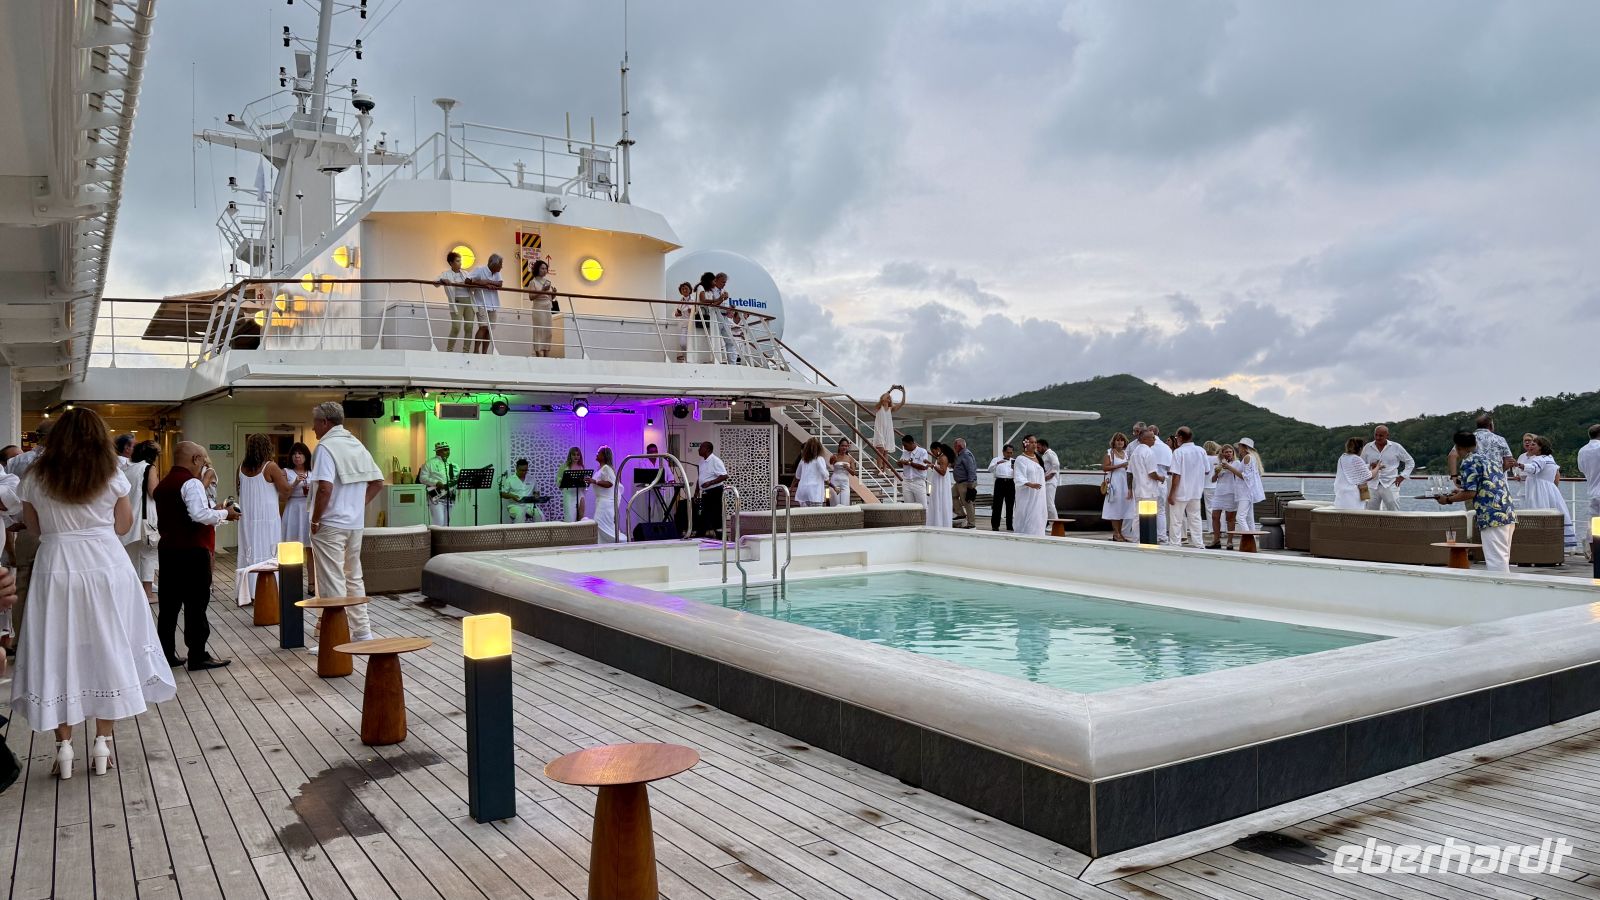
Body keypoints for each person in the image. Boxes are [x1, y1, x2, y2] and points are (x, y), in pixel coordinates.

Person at [10, 408, 176, 779]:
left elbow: (34, 528)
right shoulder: (110, 474)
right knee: (108, 646)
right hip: (105, 565)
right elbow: (123, 524)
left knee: (58, 651)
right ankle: (103, 743)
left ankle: (64, 747)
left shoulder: (36, 477)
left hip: (56, 566)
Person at [154, 440, 240, 669]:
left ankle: (166, 654)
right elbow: (199, 515)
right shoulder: (191, 483)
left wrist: (215, 512)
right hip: (192, 551)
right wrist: (226, 513)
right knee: (196, 605)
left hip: (168, 551)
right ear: (195, 459)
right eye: (203, 459)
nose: (204, 464)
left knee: (169, 607)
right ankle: (197, 655)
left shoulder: (163, 484)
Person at [308, 401, 385, 641]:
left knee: (331, 581)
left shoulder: (325, 447)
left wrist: (315, 519)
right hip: (354, 524)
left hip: (330, 523)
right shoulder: (357, 444)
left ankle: (335, 639)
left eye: (315, 423)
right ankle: (362, 632)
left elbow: (325, 488)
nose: (313, 428)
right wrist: (357, 505)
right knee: (354, 577)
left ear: (324, 422)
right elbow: (378, 483)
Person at [1437, 431, 1517, 572]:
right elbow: (1481, 486)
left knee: (1496, 560)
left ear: (1458, 447)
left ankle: (1499, 585)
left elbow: (1470, 493)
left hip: (1491, 515)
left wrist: (1448, 499)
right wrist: (1460, 492)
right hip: (1507, 511)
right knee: (1503, 557)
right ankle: (1504, 584)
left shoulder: (1468, 462)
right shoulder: (1487, 459)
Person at [237, 433, 291, 603]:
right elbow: (286, 491)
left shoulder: (241, 467)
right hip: (267, 519)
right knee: (268, 552)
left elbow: (239, 491)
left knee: (248, 551)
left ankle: (247, 593)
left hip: (247, 518)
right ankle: (268, 591)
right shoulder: (271, 466)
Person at [1513, 434, 1576, 550]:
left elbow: (1533, 468)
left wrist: (1519, 465)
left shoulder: (1539, 459)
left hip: (1538, 491)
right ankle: (1551, 543)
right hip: (1550, 490)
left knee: (1537, 513)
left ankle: (1536, 543)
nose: (1530, 446)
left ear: (1541, 447)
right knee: (1551, 514)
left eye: (1534, 444)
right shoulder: (1550, 458)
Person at [120, 440, 160, 604]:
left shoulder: (126, 469)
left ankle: (131, 592)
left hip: (128, 518)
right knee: (148, 555)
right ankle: (148, 593)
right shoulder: (149, 468)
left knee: (131, 557)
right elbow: (153, 492)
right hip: (145, 518)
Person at [1167, 427, 1208, 548]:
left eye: (1176, 437)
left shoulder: (1178, 452)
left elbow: (1176, 475)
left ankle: (1175, 544)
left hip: (1181, 491)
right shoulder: (1201, 451)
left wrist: (1171, 494)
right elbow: (1207, 470)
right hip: (1196, 490)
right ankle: (1199, 544)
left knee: (1176, 519)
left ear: (1180, 437)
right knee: (1195, 518)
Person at [1360, 425, 1415, 511]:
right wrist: (1370, 465)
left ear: (1387, 435)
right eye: (1376, 435)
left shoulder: (1396, 447)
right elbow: (1361, 465)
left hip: (1390, 484)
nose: (1377, 438)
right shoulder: (1367, 447)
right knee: (1370, 513)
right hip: (1371, 485)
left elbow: (1410, 462)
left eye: (1381, 435)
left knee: (1393, 511)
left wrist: (1403, 476)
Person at [1129, 427, 1167, 543]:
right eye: (1152, 438)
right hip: (1149, 489)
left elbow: (1129, 472)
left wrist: (1129, 488)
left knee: (1137, 515)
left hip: (1138, 489)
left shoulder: (1135, 452)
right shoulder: (1149, 452)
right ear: (1145, 439)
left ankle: (1136, 538)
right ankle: (1149, 537)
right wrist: (1161, 478)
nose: (1154, 440)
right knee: (1150, 515)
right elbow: (1152, 473)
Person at [1450, 412, 1516, 477]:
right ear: (1491, 425)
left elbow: (1452, 455)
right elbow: (1508, 462)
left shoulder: (1468, 438)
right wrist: (1497, 473)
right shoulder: (1500, 440)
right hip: (1497, 481)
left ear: (1477, 425)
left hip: (1473, 480)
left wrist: (1454, 476)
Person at [464, 253, 504, 354]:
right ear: (494, 264)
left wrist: (488, 282)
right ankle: (476, 350)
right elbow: (467, 281)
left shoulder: (497, 273)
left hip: (493, 304)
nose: (502, 267)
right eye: (500, 264)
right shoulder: (480, 269)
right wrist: (481, 283)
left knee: (489, 329)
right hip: (481, 303)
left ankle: (484, 353)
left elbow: (500, 284)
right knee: (483, 327)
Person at [1101, 433, 1135, 542]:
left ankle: (1120, 533)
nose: (1120, 442)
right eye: (1117, 440)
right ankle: (1116, 533)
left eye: (1122, 440)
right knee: (1115, 508)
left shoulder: (1126, 454)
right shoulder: (1110, 453)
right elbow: (1105, 468)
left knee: (1123, 508)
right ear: (1114, 442)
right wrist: (1120, 465)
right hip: (1115, 483)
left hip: (1124, 482)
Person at [1012, 436, 1048, 536]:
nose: (1034, 445)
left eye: (1035, 442)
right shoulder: (1020, 459)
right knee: (1026, 515)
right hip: (1027, 494)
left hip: (1039, 494)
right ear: (1025, 444)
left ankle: (1039, 536)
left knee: (1038, 515)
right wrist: (1030, 484)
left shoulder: (1038, 458)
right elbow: (1018, 476)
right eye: (1031, 442)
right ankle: (1024, 536)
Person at [438, 250, 473, 352]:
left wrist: (465, 283)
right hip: (456, 302)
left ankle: (466, 351)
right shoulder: (445, 274)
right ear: (451, 263)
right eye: (457, 261)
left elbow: (473, 283)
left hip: (469, 301)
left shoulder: (466, 273)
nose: (460, 263)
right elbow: (435, 282)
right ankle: (449, 351)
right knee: (456, 327)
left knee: (469, 327)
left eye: (460, 261)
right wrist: (442, 280)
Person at [1333, 437, 1380, 510]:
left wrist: (1369, 465)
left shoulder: (1343, 457)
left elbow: (1352, 468)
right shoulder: (1356, 458)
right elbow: (1369, 476)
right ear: (1360, 448)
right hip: (1352, 495)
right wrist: (1378, 467)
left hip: (1341, 493)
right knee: (1355, 514)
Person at [283, 442, 314, 548]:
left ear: (306, 455)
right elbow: (283, 496)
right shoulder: (286, 472)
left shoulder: (313, 472)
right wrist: (295, 483)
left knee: (310, 545)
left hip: (309, 507)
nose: (297, 456)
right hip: (293, 508)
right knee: (292, 544)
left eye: (300, 453)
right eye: (294, 453)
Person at [418, 442, 457, 526]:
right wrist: (436, 482)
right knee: (439, 523)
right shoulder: (429, 463)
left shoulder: (452, 465)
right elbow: (422, 478)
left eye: (448, 450)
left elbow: (458, 477)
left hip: (449, 497)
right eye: (445, 450)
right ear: (438, 451)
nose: (448, 452)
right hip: (436, 497)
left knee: (446, 524)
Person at [695, 442, 728, 538]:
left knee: (716, 515)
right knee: (704, 514)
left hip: (715, 491)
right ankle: (701, 535)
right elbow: (700, 477)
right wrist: (696, 491)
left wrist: (710, 483)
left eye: (701, 447)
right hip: (705, 492)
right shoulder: (701, 461)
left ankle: (721, 537)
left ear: (708, 449)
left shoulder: (715, 461)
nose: (699, 449)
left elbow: (724, 476)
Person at [1211, 444, 1242, 549]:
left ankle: (1230, 541)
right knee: (1215, 516)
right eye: (1226, 452)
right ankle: (1216, 540)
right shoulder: (1219, 464)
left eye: (1230, 452)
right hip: (1219, 492)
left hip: (1231, 492)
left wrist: (1228, 466)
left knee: (1230, 518)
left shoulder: (1237, 463)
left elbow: (1239, 475)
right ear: (1222, 454)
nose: (1228, 454)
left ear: (1233, 453)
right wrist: (1216, 472)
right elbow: (1213, 480)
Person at [870, 386, 907, 471]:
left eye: (889, 397)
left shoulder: (891, 409)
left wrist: (903, 392)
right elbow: (883, 398)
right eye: (887, 397)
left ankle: (884, 470)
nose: (888, 398)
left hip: (888, 431)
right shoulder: (879, 406)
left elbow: (902, 403)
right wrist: (891, 389)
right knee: (881, 450)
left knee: (886, 451)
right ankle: (879, 469)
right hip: (880, 430)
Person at [1234, 438, 1267, 531]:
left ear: (1244, 448)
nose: (1238, 448)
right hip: (1248, 491)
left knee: (1240, 517)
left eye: (1239, 446)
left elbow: (1244, 476)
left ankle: (1248, 537)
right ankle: (1252, 537)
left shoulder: (1247, 458)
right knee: (1249, 519)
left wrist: (1229, 468)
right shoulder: (1252, 457)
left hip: (1245, 492)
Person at [689, 272, 721, 363]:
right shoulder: (701, 287)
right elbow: (703, 300)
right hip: (701, 314)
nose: (715, 283)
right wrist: (717, 299)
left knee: (706, 337)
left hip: (707, 315)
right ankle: (697, 358)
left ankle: (707, 358)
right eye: (714, 281)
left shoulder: (709, 291)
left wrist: (721, 299)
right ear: (709, 280)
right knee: (700, 336)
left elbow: (713, 304)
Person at [588, 447, 618, 543]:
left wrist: (594, 481)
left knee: (601, 524)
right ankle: (603, 543)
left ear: (604, 456)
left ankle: (609, 543)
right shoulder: (600, 469)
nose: (597, 454)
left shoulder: (606, 468)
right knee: (600, 524)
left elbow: (610, 483)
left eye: (599, 453)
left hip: (606, 503)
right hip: (601, 501)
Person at [527, 259, 556, 358]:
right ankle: (539, 355)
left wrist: (554, 293)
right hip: (539, 308)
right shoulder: (533, 282)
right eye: (542, 268)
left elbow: (550, 298)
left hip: (547, 308)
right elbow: (531, 297)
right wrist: (542, 290)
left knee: (548, 332)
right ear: (537, 269)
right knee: (539, 332)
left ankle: (547, 355)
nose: (544, 270)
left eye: (545, 268)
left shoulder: (548, 282)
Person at [498, 459, 542, 524]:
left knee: (540, 515)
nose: (524, 472)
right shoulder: (510, 480)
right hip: (515, 505)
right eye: (521, 470)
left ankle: (540, 531)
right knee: (520, 514)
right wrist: (512, 496)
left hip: (529, 505)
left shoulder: (532, 479)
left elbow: (536, 493)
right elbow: (502, 494)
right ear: (516, 468)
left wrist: (536, 497)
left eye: (526, 470)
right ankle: (519, 531)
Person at [713, 273, 743, 365]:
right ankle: (714, 361)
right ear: (716, 280)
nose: (724, 284)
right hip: (715, 317)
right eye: (723, 282)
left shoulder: (724, 291)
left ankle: (732, 364)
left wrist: (730, 308)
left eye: (725, 282)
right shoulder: (710, 291)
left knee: (730, 341)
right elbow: (712, 305)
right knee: (714, 340)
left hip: (725, 317)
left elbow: (723, 305)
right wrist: (721, 299)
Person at [1581, 424, 1600, 561]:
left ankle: (1594, 555)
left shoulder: (1582, 450)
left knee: (1595, 525)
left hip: (1593, 492)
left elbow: (1581, 469)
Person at [793, 438, 830, 507]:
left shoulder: (803, 460)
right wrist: (828, 479)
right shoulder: (819, 459)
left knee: (804, 513)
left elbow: (797, 475)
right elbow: (824, 474)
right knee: (816, 512)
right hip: (815, 492)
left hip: (803, 491)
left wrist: (791, 488)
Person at [951, 438, 978, 528]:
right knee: (952, 495)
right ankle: (960, 514)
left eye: (955, 446)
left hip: (965, 482)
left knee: (967, 503)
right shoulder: (960, 455)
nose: (954, 447)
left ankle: (971, 524)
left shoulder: (966, 454)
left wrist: (970, 483)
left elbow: (971, 469)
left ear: (960, 446)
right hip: (959, 482)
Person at [897, 434, 930, 506]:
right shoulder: (905, 452)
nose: (904, 448)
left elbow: (924, 467)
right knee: (908, 507)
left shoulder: (922, 451)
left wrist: (909, 463)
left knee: (922, 506)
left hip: (918, 482)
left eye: (905, 445)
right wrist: (899, 463)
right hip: (906, 482)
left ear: (911, 443)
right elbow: (901, 465)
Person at [925, 443, 953, 527]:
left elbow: (943, 472)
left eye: (933, 451)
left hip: (941, 483)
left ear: (938, 449)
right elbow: (938, 468)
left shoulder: (943, 458)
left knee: (940, 501)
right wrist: (930, 464)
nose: (932, 453)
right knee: (936, 501)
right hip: (937, 483)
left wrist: (933, 465)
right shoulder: (940, 457)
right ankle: (936, 522)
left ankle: (941, 523)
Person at [989, 444, 1016, 532]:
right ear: (1003, 452)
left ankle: (1009, 525)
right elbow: (989, 469)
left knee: (1010, 505)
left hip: (1010, 482)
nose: (1009, 454)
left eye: (1011, 453)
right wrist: (997, 463)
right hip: (1000, 482)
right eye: (1008, 452)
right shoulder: (996, 459)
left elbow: (1018, 474)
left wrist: (1015, 469)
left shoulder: (1014, 461)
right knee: (997, 505)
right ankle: (995, 525)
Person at [558, 446, 586, 522]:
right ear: (570, 455)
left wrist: (585, 481)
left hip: (580, 493)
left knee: (581, 518)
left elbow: (584, 482)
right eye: (574, 454)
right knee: (570, 518)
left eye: (578, 455)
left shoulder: (581, 467)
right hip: (569, 494)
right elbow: (558, 480)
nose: (576, 457)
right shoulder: (564, 467)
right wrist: (562, 480)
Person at [1202, 441, 1222, 547]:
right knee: (1220, 508)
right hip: (1218, 485)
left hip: (1207, 485)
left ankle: (1212, 529)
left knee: (1210, 509)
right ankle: (1222, 528)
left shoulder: (1204, 458)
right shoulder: (1218, 458)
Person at [828, 439, 857, 507]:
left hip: (845, 482)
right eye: (842, 446)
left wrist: (847, 468)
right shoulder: (835, 456)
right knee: (835, 503)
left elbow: (853, 473)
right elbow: (831, 462)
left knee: (845, 503)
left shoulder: (850, 458)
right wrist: (832, 459)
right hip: (835, 481)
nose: (844, 447)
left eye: (846, 446)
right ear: (839, 447)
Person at [1036, 438, 1061, 521]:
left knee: (1049, 504)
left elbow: (1056, 465)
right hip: (1046, 482)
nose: (1037, 449)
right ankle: (1049, 522)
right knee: (1045, 504)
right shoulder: (1045, 455)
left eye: (1038, 447)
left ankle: (1055, 523)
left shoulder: (1050, 453)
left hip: (1050, 482)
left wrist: (1049, 476)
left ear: (1044, 446)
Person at [671, 281, 695, 362]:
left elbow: (698, 312)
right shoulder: (679, 302)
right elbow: (673, 314)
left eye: (686, 288)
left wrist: (692, 311)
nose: (684, 290)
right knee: (682, 343)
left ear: (690, 290)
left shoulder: (694, 300)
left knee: (692, 343)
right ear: (680, 291)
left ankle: (691, 360)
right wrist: (676, 314)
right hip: (684, 325)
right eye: (682, 289)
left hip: (692, 325)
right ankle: (686, 358)